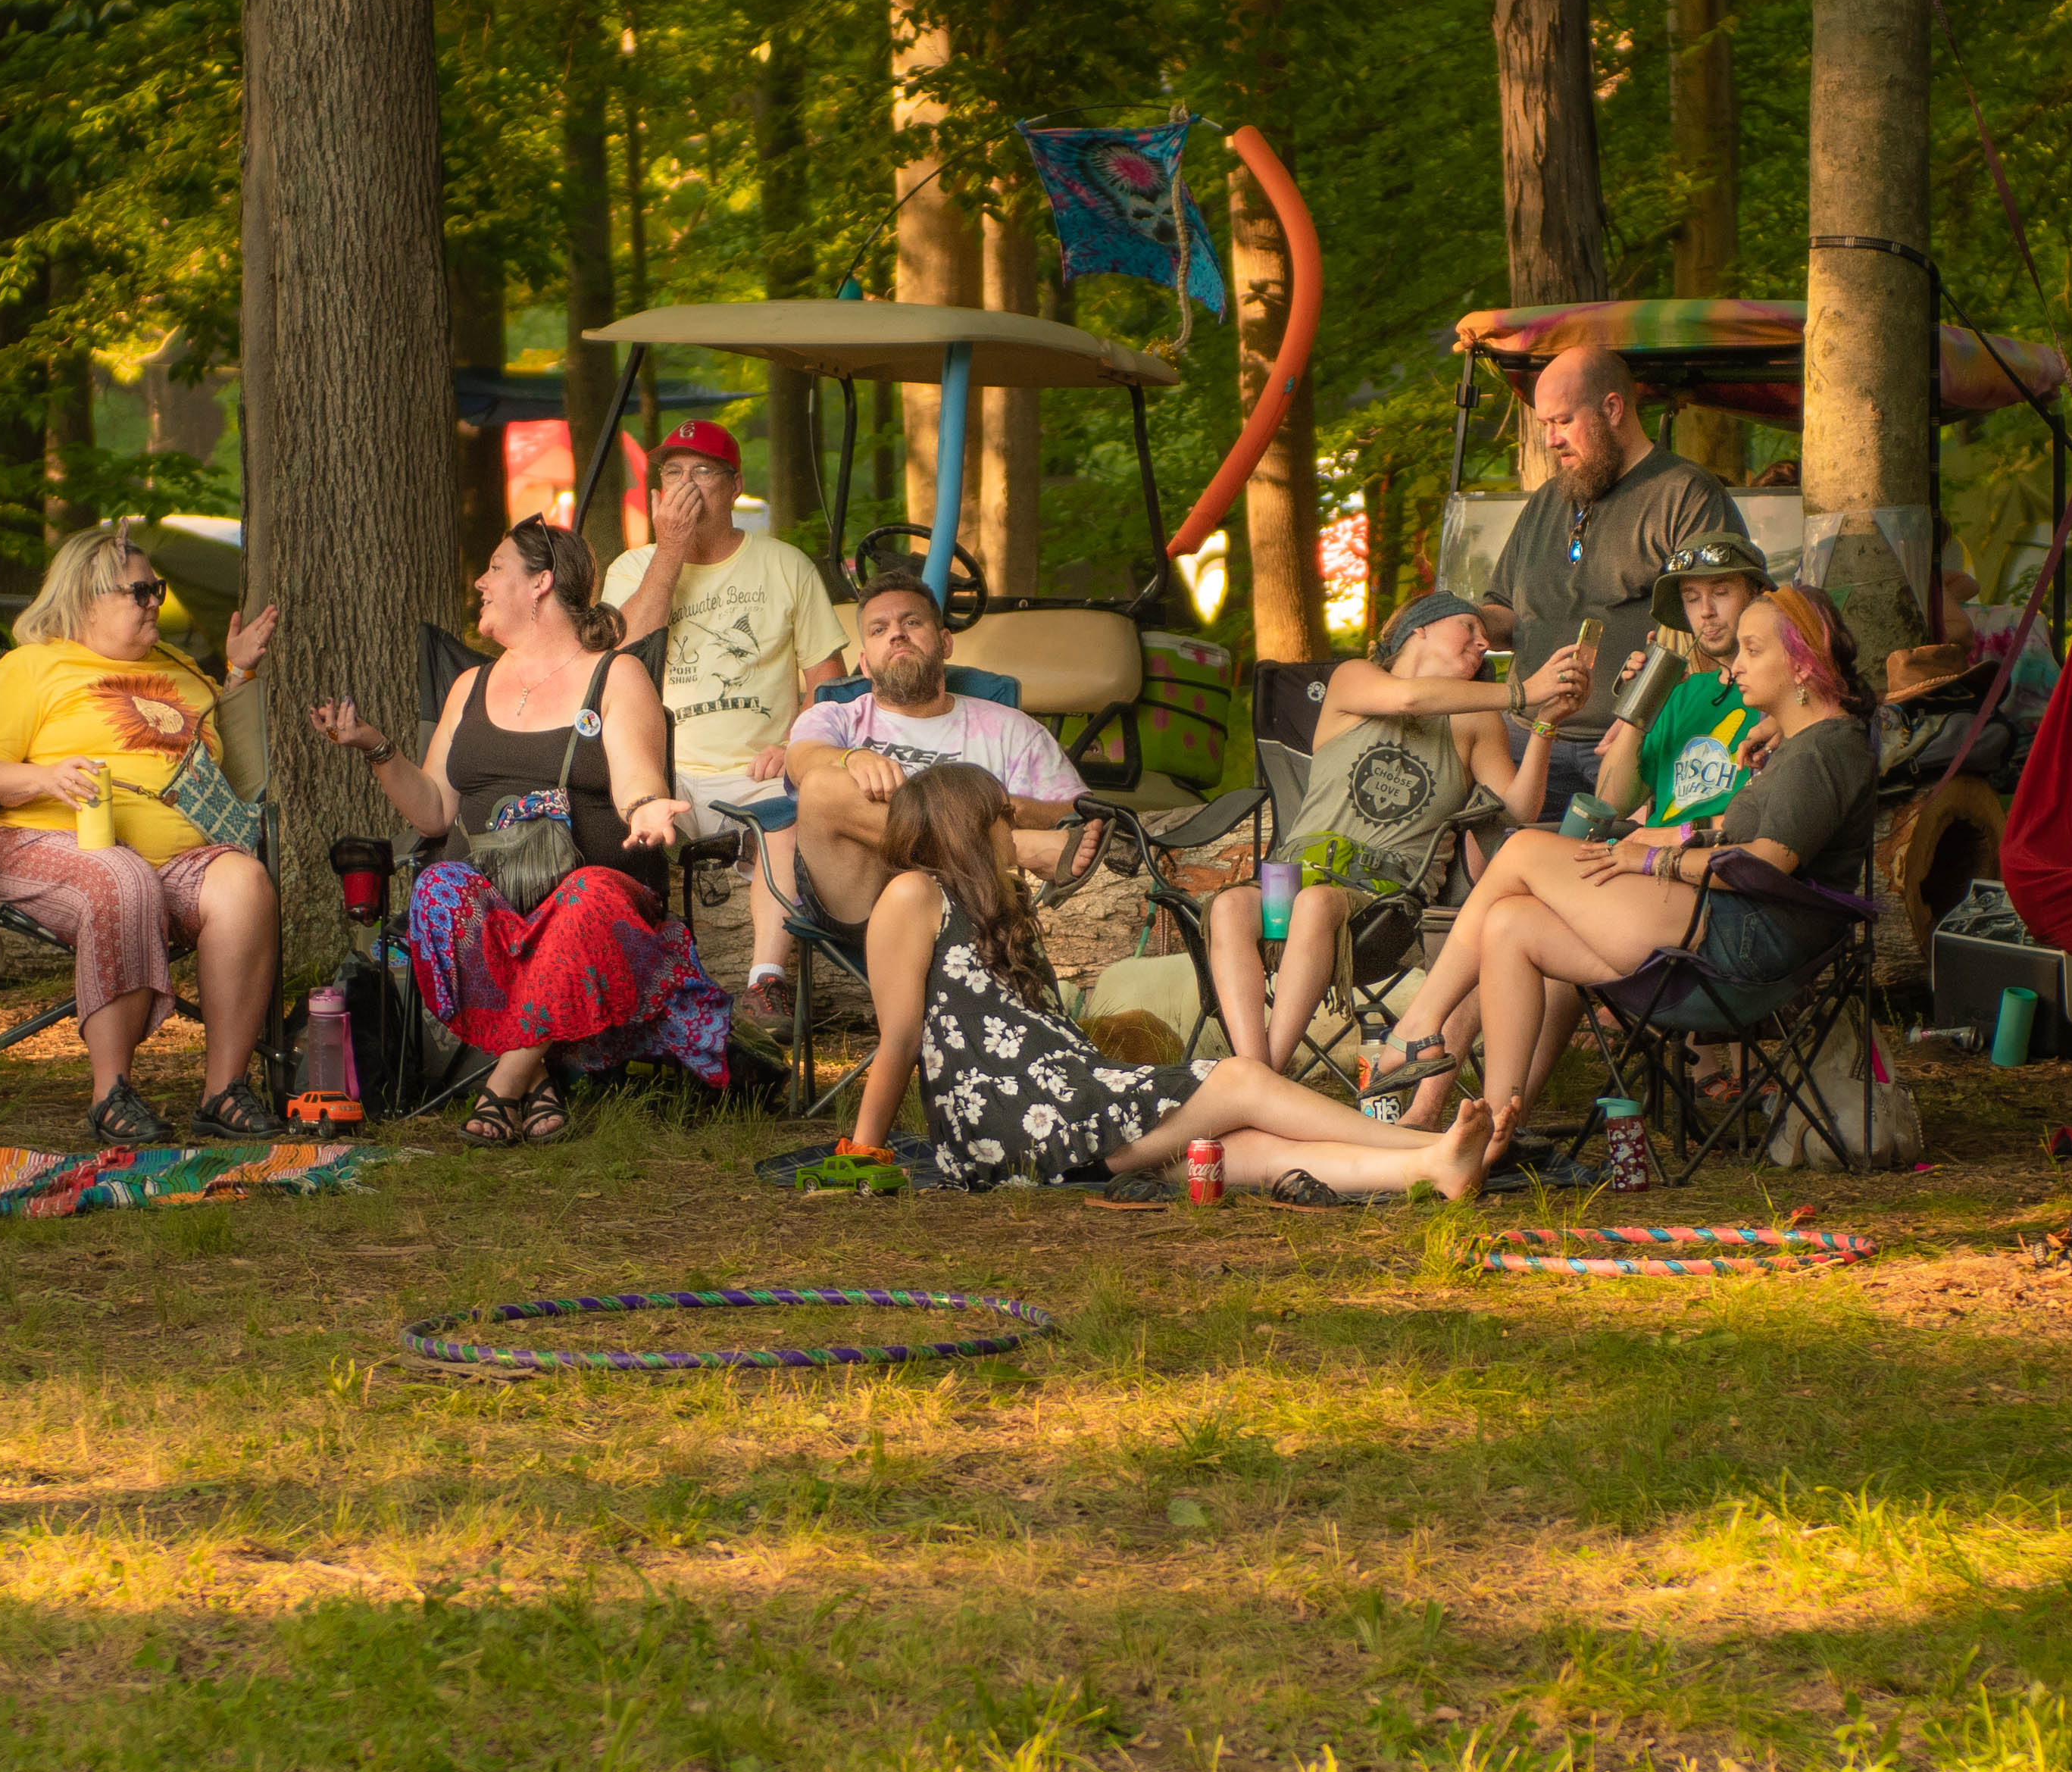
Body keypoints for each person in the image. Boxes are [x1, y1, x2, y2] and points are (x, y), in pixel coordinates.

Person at [848, 764, 1502, 1203]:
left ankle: (1427, 1169)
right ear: (964, 828)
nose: (1011, 829)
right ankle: (1426, 1141)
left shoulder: (997, 905)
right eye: (998, 817)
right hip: (1015, 1121)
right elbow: (900, 1037)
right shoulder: (912, 893)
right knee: (1238, 1080)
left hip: (1065, 1103)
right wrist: (865, 1154)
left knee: (1237, 1151)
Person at [1368, 587, 1879, 1145]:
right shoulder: (1805, 743)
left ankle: (1420, 1025)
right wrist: (1653, 836)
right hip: (1728, 926)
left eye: (1753, 651)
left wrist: (1653, 859)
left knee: (1518, 852)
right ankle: (1494, 1130)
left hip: (1744, 943)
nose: (1736, 665)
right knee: (1509, 922)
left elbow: (1767, 863)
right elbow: (1734, 832)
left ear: (1802, 660)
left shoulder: (1825, 749)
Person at [308, 516, 733, 1147]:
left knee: (589, 898)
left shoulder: (615, 675)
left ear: (541, 582)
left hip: (589, 906)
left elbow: (637, 777)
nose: (480, 582)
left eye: (496, 568)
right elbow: (432, 813)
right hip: (492, 905)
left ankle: (501, 1090)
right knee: (438, 888)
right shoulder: (468, 686)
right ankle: (535, 1082)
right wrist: (375, 747)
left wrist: (646, 807)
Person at [0, 523, 284, 1145]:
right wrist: (44, 776)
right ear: (86, 598)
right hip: (41, 842)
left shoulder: (182, 668)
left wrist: (236, 676)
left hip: (179, 857)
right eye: (140, 591)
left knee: (244, 881)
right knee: (121, 875)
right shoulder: (31, 668)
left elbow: (238, 774)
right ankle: (113, 1094)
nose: (156, 600)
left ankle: (224, 1090)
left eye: (157, 588)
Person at [1204, 590, 1582, 1085]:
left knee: (1318, 904)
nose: (1483, 641)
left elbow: (1517, 807)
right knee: (1229, 907)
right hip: (1294, 872)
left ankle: (1263, 1080)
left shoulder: (1475, 719)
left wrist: (1544, 727)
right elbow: (1408, 698)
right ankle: (1254, 1073)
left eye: (1485, 638)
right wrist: (1521, 693)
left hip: (1386, 901)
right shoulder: (1356, 680)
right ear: (1418, 629)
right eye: (1468, 627)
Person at [602, 418, 848, 1027]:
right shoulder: (633, 567)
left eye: (703, 472)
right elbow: (621, 653)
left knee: (789, 816)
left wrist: (797, 743)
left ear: (735, 485)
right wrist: (671, 549)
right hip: (663, 771)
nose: (686, 484)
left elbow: (832, 685)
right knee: (611, 829)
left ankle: (766, 983)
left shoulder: (786, 565)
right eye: (673, 472)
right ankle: (622, 993)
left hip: (758, 770)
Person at [1473, 345, 1739, 816]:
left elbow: (1714, 627)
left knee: (1601, 868)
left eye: (1562, 422)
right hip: (1528, 734)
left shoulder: (1686, 495)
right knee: (1493, 856)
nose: (1551, 440)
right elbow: (1504, 611)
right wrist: (1460, 622)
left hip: (1630, 738)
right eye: (1544, 426)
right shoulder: (1546, 502)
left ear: (1613, 408)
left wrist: (1643, 717)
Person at [777, 570, 1101, 943]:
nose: (897, 633)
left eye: (911, 622)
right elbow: (801, 761)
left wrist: (1001, 806)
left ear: (946, 643)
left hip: (973, 906)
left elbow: (1077, 814)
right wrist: (853, 759)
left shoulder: (1012, 729)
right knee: (822, 784)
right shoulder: (837, 716)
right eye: (879, 630)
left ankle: (998, 849)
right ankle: (1007, 849)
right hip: (860, 899)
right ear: (865, 665)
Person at [1594, 531, 1772, 831]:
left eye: (1721, 593)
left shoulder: (1782, 690)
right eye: (1691, 598)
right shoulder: (1680, 694)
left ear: (1758, 595)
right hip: (1648, 859)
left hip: (1717, 858)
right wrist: (1641, 703)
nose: (1705, 611)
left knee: (1522, 851)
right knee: (1524, 847)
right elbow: (1610, 803)